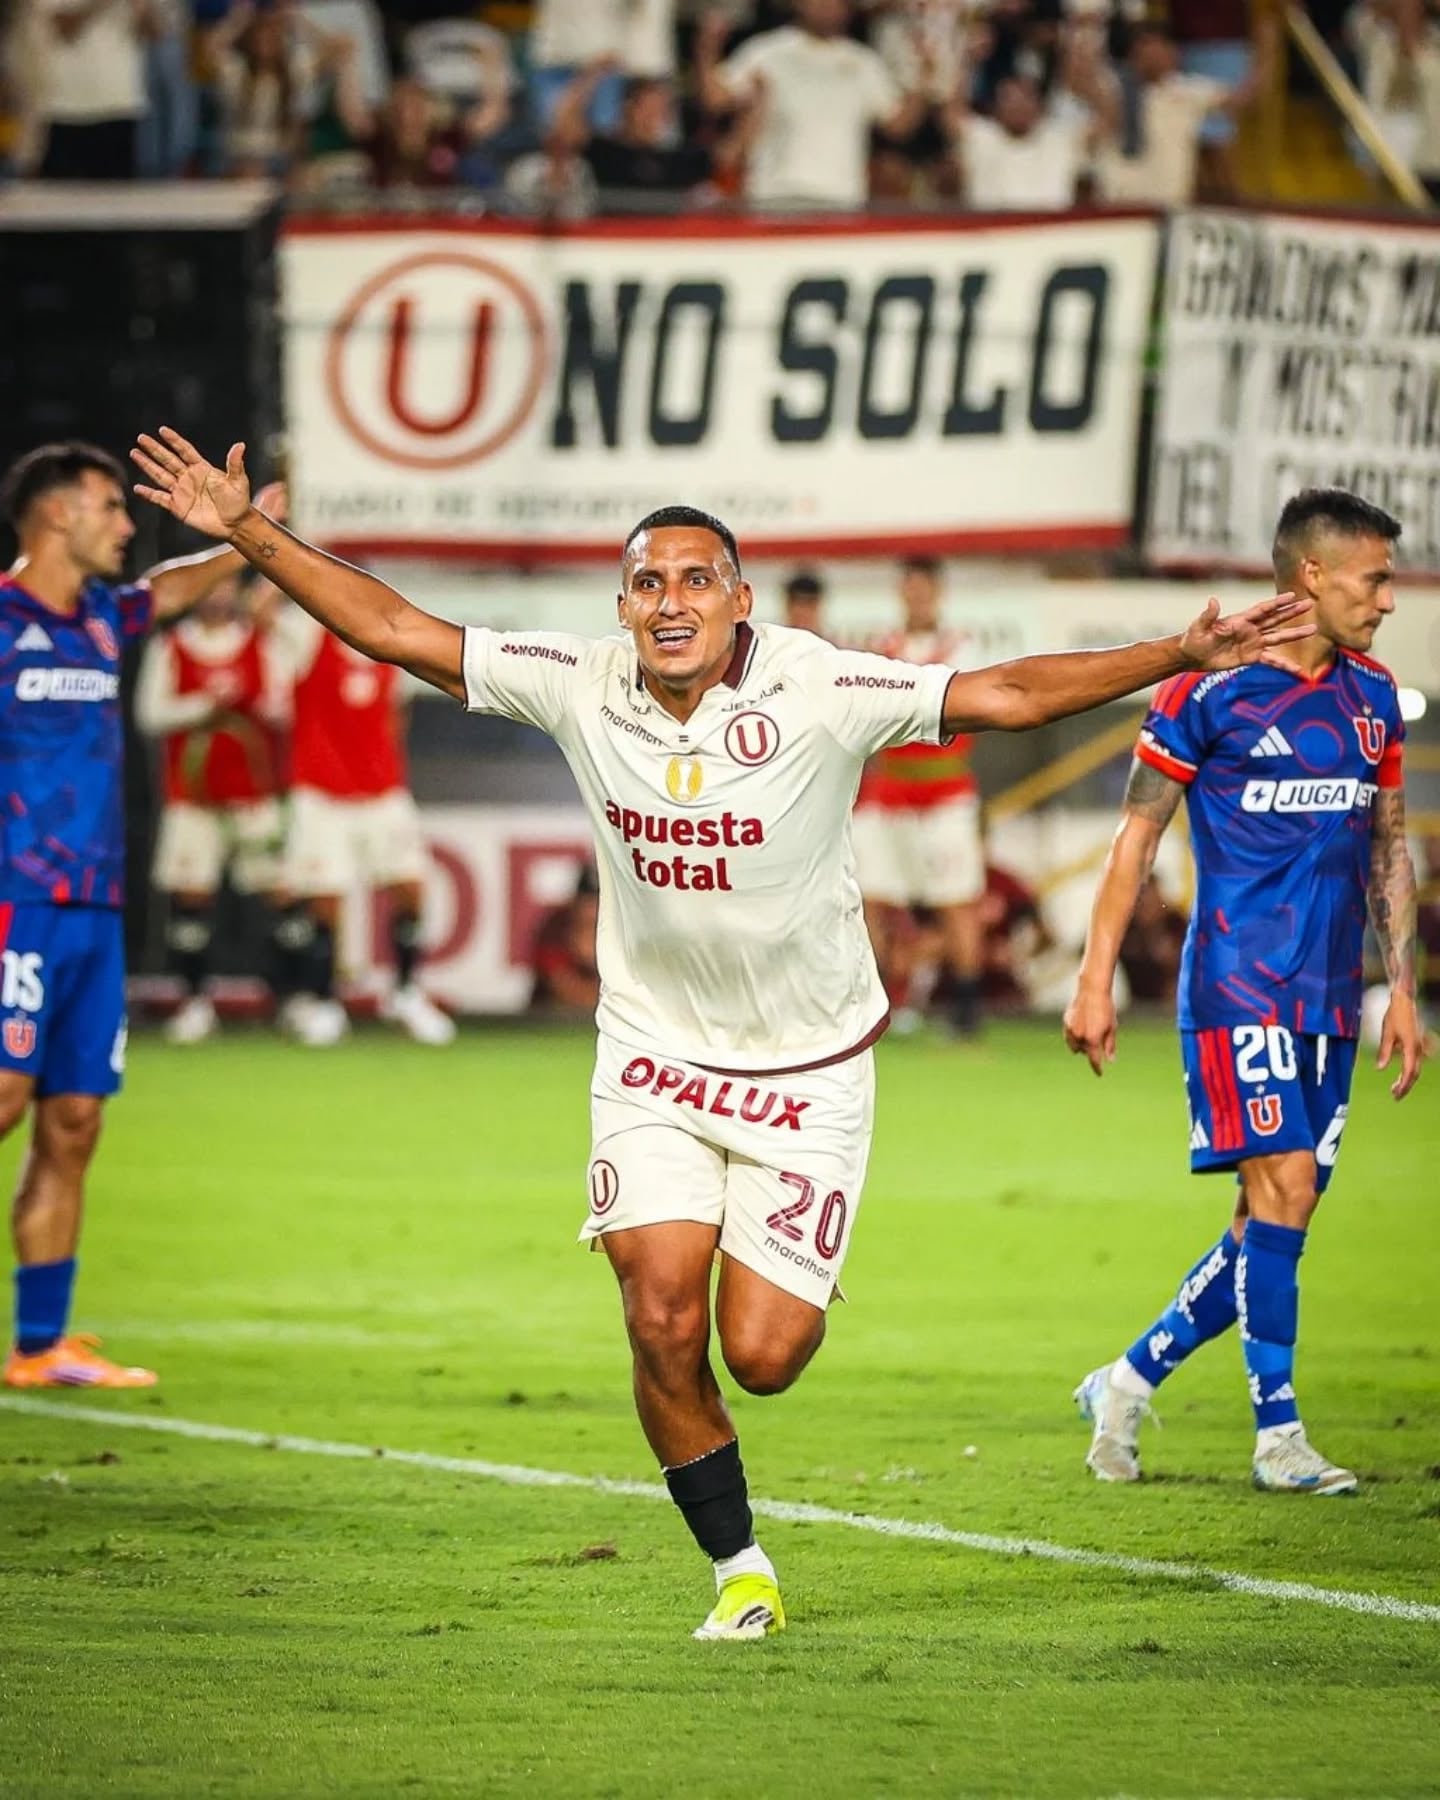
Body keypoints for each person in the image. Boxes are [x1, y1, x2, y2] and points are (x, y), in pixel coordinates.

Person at [131, 421, 1312, 1639]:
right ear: (625, 605)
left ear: (740, 599)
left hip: (809, 1072)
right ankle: (739, 1569)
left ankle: (753, 1449)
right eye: (649, 581)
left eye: (698, 578)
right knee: (655, 1313)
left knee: (764, 1353)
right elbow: (395, 628)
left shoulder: (821, 686)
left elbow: (1005, 693)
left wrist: (1176, 650)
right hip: (652, 1059)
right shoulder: (579, 681)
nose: (672, 600)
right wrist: (250, 537)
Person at [1064, 488, 1423, 1496]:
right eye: (1376, 578)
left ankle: (1127, 1382)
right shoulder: (1206, 692)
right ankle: (1278, 1435)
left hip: (1328, 999)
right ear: (1310, 574)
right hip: (1235, 989)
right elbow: (1134, 840)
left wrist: (1402, 986)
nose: (1388, 600)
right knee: (1288, 1191)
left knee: (1270, 1225)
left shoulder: (1373, 697)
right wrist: (1092, 981)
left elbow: (1390, 843)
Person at [0, 442, 283, 1389]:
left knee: (73, 1118)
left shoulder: (103, 620)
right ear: (53, 516)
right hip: (16, 905)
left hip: (94, 908)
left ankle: (40, 1345)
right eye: (109, 507)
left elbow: (170, 587)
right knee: (4, 1099)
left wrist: (244, 532)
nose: (126, 524)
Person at [267, 605, 454, 1049]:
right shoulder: (311, 640)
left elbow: (395, 717)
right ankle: (323, 1001)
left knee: (411, 888)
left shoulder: (393, 653)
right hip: (321, 793)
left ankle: (405, 993)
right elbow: (262, 615)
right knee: (325, 901)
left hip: (382, 791)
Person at [134, 573, 288, 1046]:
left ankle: (290, 997)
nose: (218, 596)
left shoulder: (261, 644)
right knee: (191, 897)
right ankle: (195, 1002)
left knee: (281, 894)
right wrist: (203, 705)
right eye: (209, 588)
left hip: (252, 793)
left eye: (225, 588)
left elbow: (284, 708)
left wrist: (254, 705)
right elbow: (149, 715)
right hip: (192, 796)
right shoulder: (171, 646)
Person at [852, 557, 987, 1037]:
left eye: (924, 589)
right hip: (890, 789)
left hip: (944, 788)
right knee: (870, 898)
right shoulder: (881, 648)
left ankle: (968, 1008)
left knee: (956, 900)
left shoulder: (961, 648)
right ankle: (874, 1004)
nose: (917, 598)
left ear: (937, 593)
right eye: (909, 589)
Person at [696, 0, 925, 210]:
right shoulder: (767, 52)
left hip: (842, 197)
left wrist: (922, 78)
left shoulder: (864, 63)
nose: (827, 7)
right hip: (775, 195)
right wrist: (707, 48)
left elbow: (898, 125)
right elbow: (716, 99)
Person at [781, 570, 826, 637]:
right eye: (798, 604)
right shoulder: (772, 643)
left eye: (809, 603)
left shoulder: (831, 645)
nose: (803, 611)